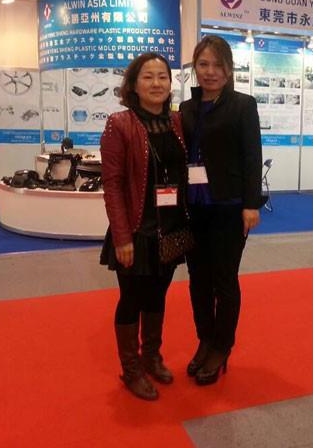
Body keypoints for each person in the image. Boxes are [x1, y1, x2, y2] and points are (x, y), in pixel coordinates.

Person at [99, 53, 188, 401]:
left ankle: (151, 355)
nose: (156, 83)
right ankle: (131, 368)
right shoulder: (119, 124)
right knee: (132, 299)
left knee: (157, 295)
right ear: (133, 85)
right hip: (136, 230)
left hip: (170, 228)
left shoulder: (177, 122)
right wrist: (122, 237)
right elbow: (113, 184)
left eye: (162, 76)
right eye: (148, 77)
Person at [180, 35, 264, 386]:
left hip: (229, 207)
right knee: (197, 279)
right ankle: (205, 339)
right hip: (194, 208)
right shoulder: (186, 108)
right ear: (195, 68)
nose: (210, 71)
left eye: (218, 65)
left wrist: (251, 203)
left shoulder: (243, 105)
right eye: (204, 64)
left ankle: (222, 346)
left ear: (229, 70)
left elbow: (252, 156)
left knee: (224, 280)